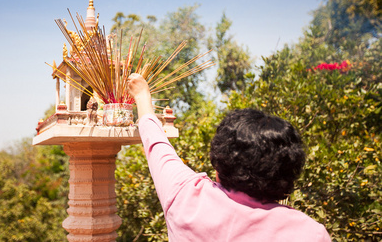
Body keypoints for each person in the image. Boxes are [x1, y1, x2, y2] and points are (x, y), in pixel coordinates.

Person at [126, 73, 331, 241]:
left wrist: (142, 95)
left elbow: (156, 144)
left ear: (220, 161)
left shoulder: (186, 196)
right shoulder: (310, 233)